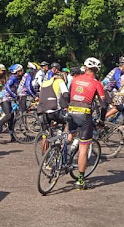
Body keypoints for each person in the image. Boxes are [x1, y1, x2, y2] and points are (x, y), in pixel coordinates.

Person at [67, 57, 108, 190]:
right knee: (83, 149)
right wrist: (102, 120)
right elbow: (103, 105)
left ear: (85, 67)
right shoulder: (96, 83)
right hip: (84, 115)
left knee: (70, 134)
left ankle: (60, 154)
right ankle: (80, 181)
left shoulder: (75, 79)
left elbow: (67, 96)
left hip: (71, 111)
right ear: (97, 71)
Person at [36, 70, 70, 154]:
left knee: (45, 135)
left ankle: (45, 161)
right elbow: (66, 95)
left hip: (41, 111)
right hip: (53, 110)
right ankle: (62, 144)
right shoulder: (60, 81)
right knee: (68, 121)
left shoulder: (45, 82)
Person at [0, 63, 24, 141]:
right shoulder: (13, 78)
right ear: (17, 71)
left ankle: (12, 136)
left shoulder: (17, 78)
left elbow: (15, 89)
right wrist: (14, 95)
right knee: (8, 115)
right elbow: (7, 87)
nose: (22, 72)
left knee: (11, 118)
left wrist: (17, 95)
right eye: (21, 70)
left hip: (8, 98)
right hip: (4, 98)